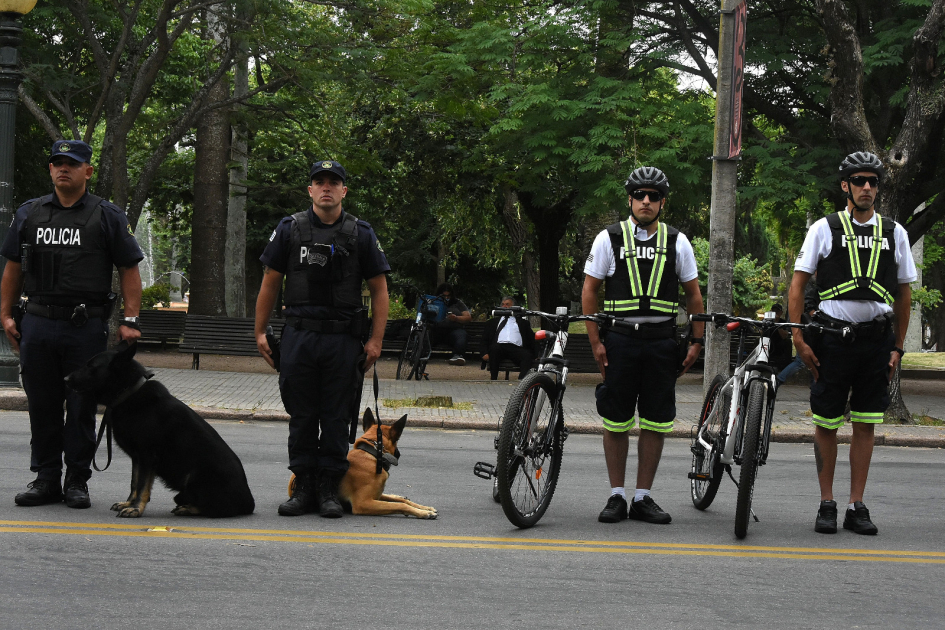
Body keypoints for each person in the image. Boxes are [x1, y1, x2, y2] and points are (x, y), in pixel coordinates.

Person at [0, 139, 144, 509]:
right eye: (57, 163)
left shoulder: (107, 215)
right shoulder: (29, 213)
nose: (63, 168)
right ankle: (46, 478)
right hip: (39, 323)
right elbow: (13, 267)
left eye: (72, 163)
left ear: (87, 171)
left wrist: (130, 319)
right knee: (42, 406)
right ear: (50, 169)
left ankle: (76, 480)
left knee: (80, 407)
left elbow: (129, 268)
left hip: (85, 327)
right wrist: (5, 313)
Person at [789, 151, 917, 536]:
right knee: (826, 422)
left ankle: (855, 505)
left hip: (876, 342)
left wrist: (897, 347)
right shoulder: (824, 228)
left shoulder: (895, 232)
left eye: (873, 182)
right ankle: (826, 502)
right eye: (859, 181)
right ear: (845, 185)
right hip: (831, 340)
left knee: (865, 424)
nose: (866, 188)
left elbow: (904, 294)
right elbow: (798, 284)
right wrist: (798, 336)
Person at [255, 160, 390, 518]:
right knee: (301, 416)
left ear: (344, 191)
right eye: (319, 182)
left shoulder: (361, 233)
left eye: (334, 182)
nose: (326, 187)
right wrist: (259, 332)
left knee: (335, 417)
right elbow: (270, 282)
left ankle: (330, 487)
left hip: (343, 341)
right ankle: (303, 486)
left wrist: (375, 341)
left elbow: (380, 290)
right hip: (299, 337)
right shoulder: (289, 229)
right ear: (310, 189)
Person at [582, 166, 705, 525]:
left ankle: (643, 497)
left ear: (663, 201)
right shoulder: (609, 238)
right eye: (640, 195)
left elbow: (693, 294)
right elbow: (590, 290)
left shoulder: (677, 240)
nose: (646, 201)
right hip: (619, 340)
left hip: (662, 343)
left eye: (653, 196)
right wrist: (595, 343)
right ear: (630, 199)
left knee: (655, 420)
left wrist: (696, 342)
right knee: (616, 420)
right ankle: (617, 496)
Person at [479, 296, 535, 380]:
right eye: (503, 304)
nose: (504, 306)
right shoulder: (492, 323)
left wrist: (536, 353)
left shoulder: (523, 323)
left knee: (527, 356)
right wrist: (484, 353)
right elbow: (484, 340)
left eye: (507, 304)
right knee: (494, 348)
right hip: (499, 347)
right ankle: (493, 379)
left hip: (516, 348)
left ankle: (521, 381)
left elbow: (531, 339)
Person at [431, 282, 471, 365]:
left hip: (454, 330)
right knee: (427, 334)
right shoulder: (434, 302)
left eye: (448, 296)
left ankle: (458, 356)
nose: (446, 298)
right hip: (437, 330)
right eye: (444, 296)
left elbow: (468, 317)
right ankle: (421, 354)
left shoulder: (457, 303)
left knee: (461, 335)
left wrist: (456, 318)